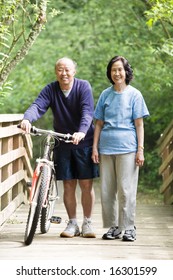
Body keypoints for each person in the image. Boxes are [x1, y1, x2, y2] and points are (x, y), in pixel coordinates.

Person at [20, 57, 99, 238]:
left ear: (74, 71)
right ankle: (72, 223)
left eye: (67, 70)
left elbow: (88, 112)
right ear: (56, 72)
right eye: (60, 70)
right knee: (68, 184)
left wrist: (81, 132)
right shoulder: (51, 89)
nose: (64, 73)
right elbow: (38, 105)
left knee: (86, 184)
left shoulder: (83, 86)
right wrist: (27, 119)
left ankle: (87, 223)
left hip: (83, 141)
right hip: (62, 142)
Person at [92, 55, 149, 241]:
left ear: (126, 72)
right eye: (113, 70)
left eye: (120, 69)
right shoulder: (105, 95)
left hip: (128, 148)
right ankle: (113, 227)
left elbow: (139, 125)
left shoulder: (135, 94)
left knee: (126, 189)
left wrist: (140, 149)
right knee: (107, 190)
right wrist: (95, 148)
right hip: (106, 148)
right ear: (110, 73)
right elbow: (98, 124)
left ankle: (129, 227)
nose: (117, 73)